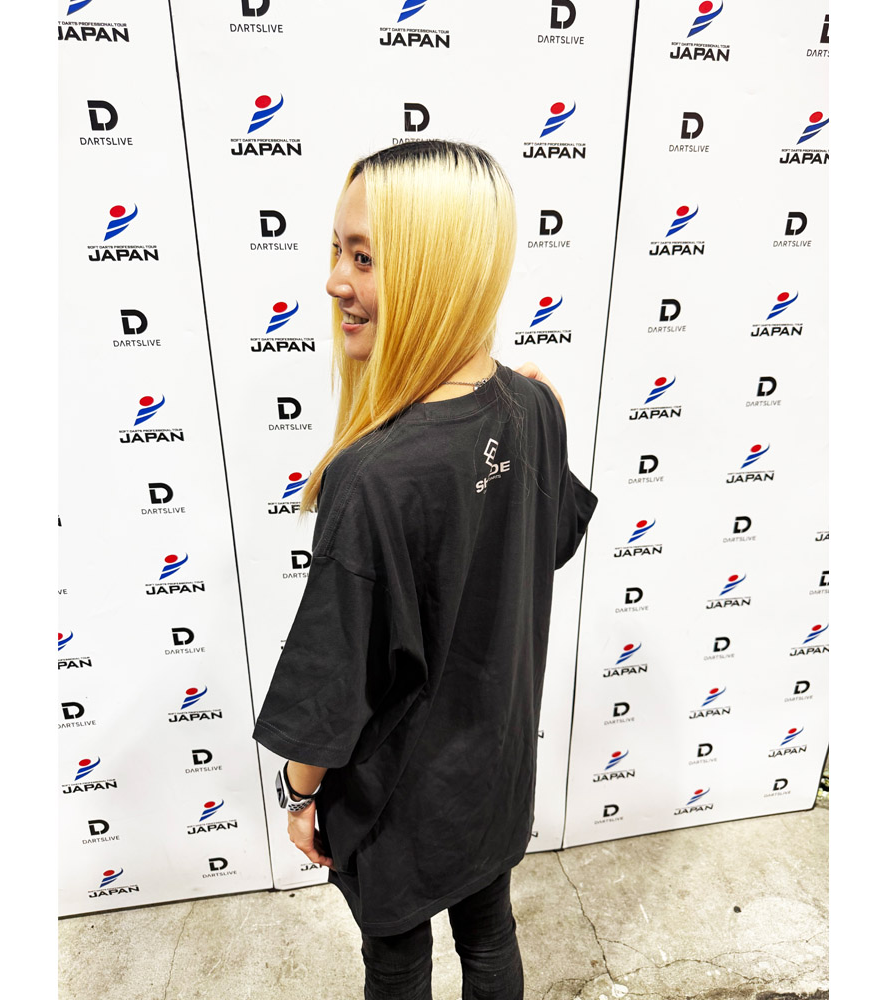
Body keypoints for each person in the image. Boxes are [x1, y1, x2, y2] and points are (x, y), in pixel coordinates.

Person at [251, 139, 598, 1000]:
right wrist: (546, 415)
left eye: (363, 257)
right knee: (490, 934)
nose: (334, 281)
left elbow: (335, 687)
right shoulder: (534, 407)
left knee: (399, 965)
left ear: (434, 268)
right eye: (337, 251)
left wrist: (297, 794)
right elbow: (545, 545)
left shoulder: (374, 477)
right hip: (495, 773)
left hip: (401, 801)